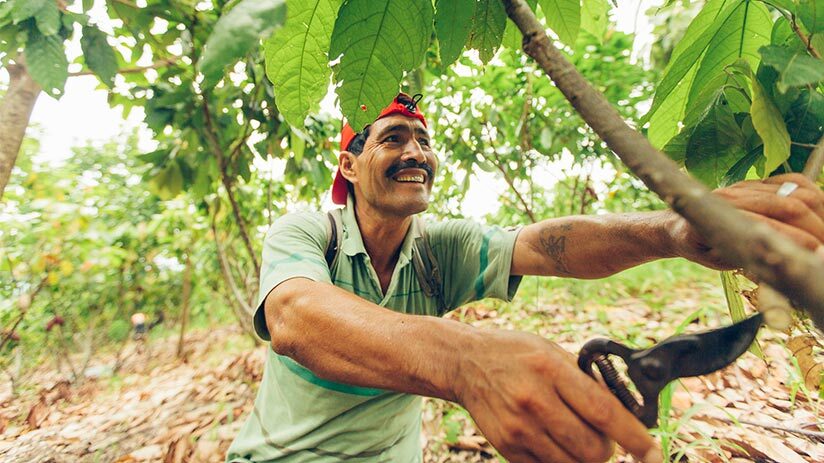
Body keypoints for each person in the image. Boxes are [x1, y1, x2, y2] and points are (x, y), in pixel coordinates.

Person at [226, 93, 824, 463]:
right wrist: (463, 360)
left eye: (424, 140)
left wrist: (670, 230)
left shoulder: (439, 248)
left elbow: (544, 244)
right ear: (349, 165)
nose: (416, 152)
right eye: (392, 139)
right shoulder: (307, 233)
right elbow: (296, 318)